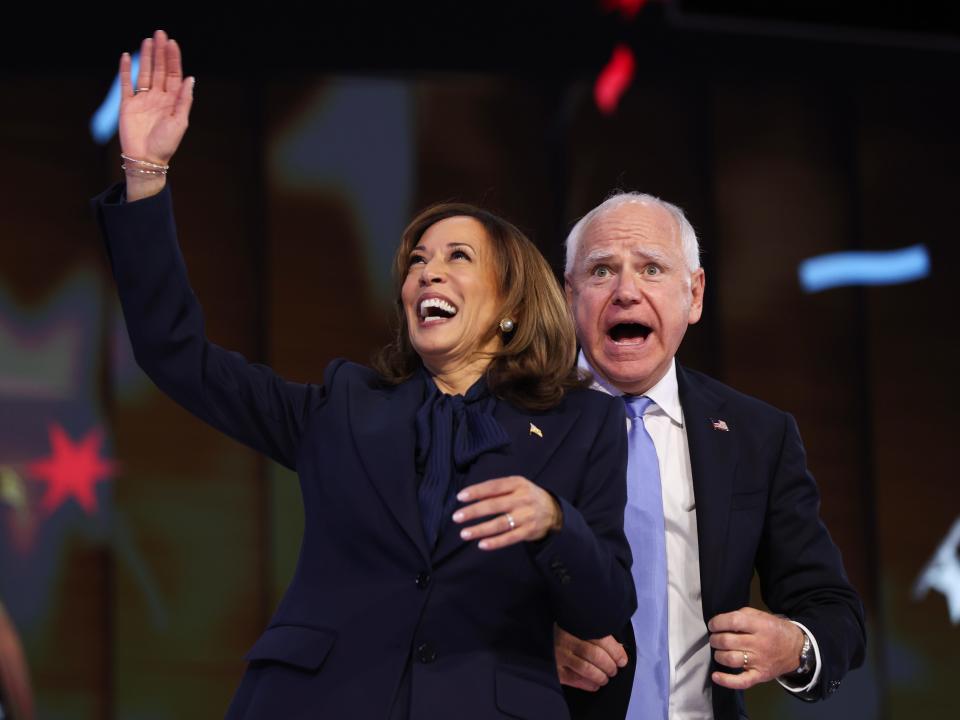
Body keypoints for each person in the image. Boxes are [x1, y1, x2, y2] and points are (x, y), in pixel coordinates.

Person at [91, 30, 635, 720]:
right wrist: (145, 175)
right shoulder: (343, 407)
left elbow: (608, 602)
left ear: (511, 305)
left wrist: (555, 521)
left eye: (457, 257)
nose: (427, 270)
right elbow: (176, 355)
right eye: (417, 260)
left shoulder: (582, 425)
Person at [555, 193, 866, 720]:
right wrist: (531, 644)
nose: (626, 291)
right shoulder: (511, 419)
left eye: (651, 268)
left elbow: (835, 612)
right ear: (569, 296)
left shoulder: (758, 435)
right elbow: (438, 596)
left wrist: (793, 645)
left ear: (693, 295)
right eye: (602, 270)